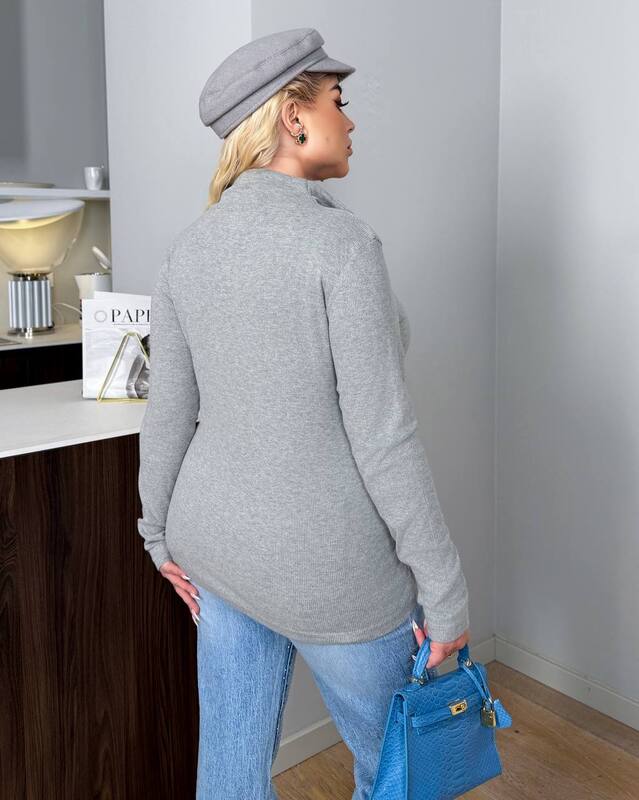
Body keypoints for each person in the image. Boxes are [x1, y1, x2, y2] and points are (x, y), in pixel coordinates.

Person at [137, 27, 470, 800]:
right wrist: (445, 591)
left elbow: (168, 415)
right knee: (403, 777)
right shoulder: (339, 244)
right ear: (293, 116)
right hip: (329, 569)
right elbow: (383, 437)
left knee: (229, 772)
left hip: (214, 549)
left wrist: (158, 537)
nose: (348, 119)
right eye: (336, 100)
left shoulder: (188, 251)